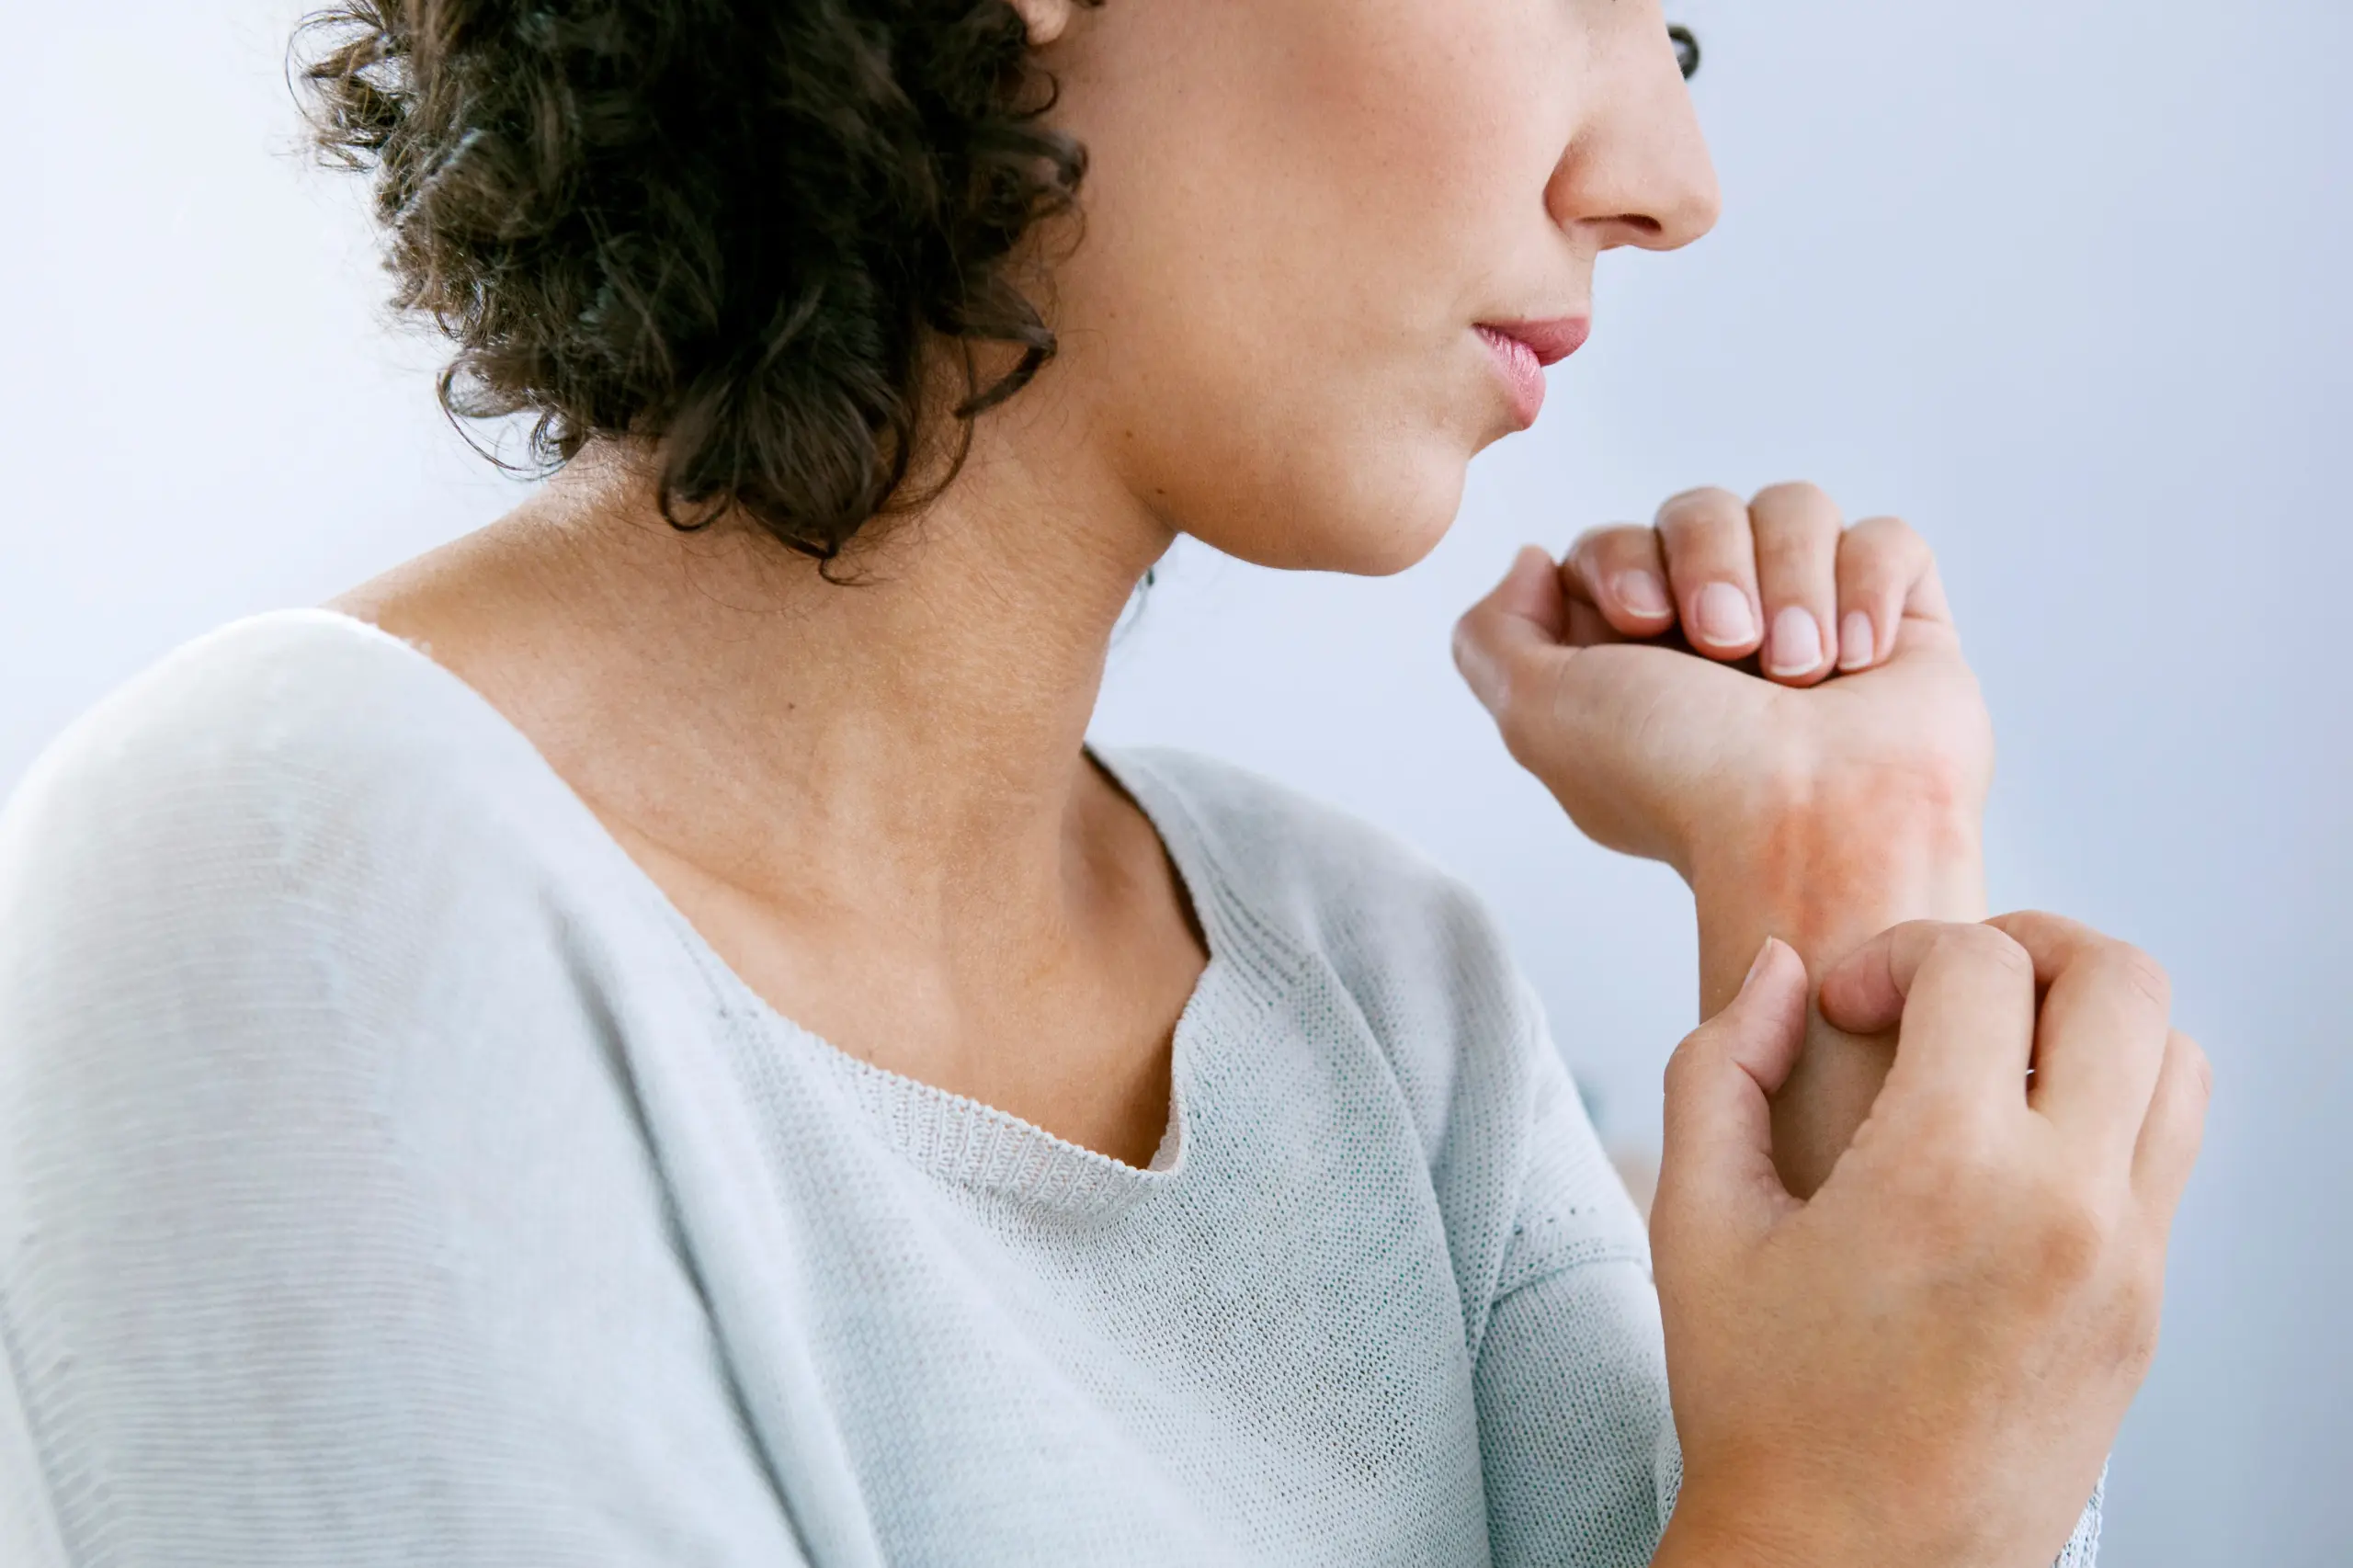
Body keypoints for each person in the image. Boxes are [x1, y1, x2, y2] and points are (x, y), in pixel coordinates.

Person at [0, 1, 2205, 1564]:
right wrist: (1841, 1523)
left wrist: (1837, 890)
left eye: (1679, 33)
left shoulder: (1374, 995)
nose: (1667, 184)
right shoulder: (282, 872)